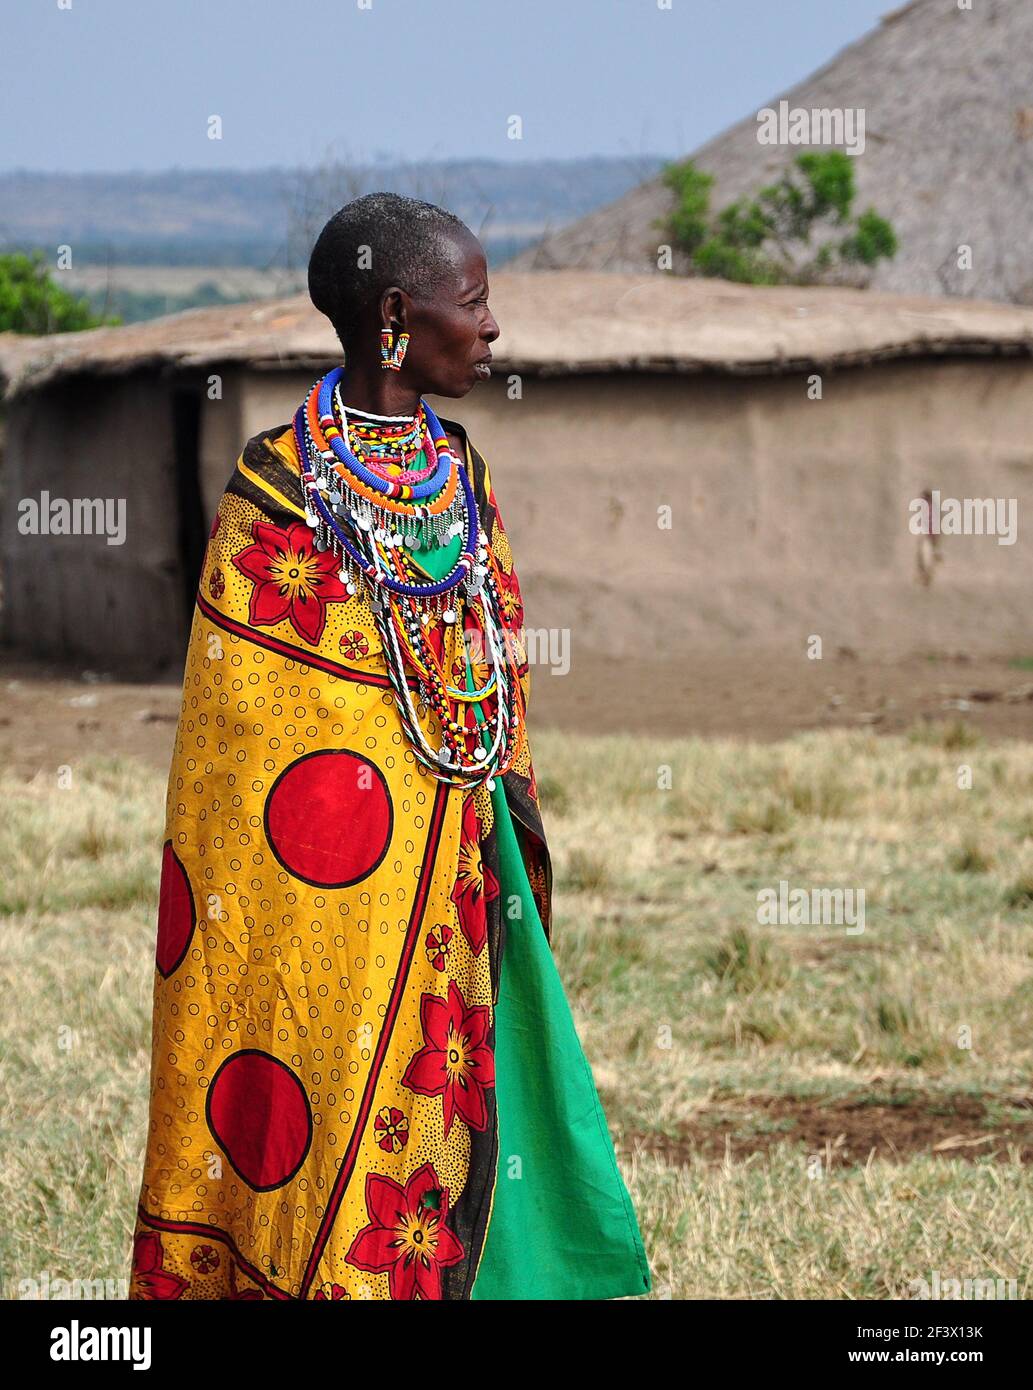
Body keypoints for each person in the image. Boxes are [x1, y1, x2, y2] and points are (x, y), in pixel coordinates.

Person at [129, 192, 651, 1301]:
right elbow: (247, 738)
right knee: (330, 1111)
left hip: (457, 865)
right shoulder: (278, 491)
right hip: (320, 894)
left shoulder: (459, 474)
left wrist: (475, 795)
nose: (494, 326)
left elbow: (488, 668)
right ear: (399, 317)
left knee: (462, 1119)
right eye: (476, 302)